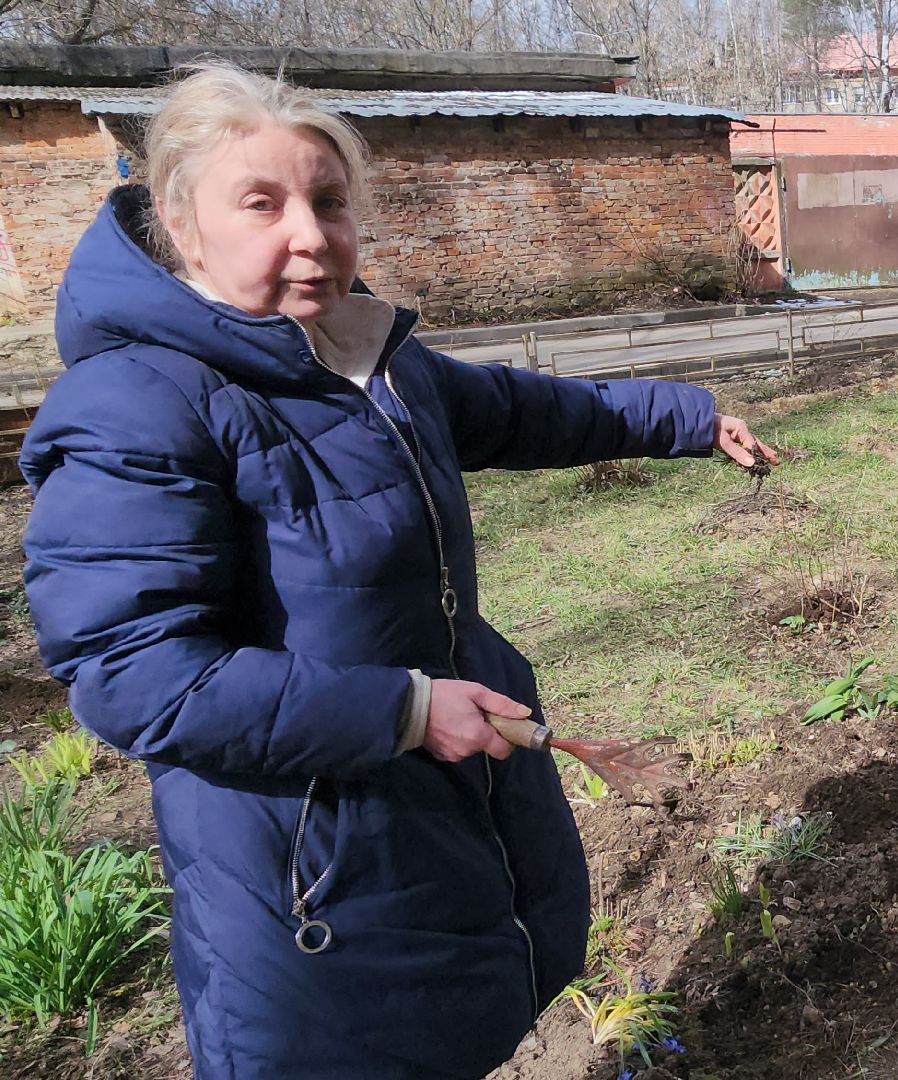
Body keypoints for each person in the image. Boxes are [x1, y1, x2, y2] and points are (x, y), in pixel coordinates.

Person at [18, 62, 775, 1079]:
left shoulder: (360, 356)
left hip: (427, 815)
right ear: (181, 220)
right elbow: (134, 675)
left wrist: (685, 419)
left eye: (329, 202)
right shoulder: (136, 404)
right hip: (302, 870)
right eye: (263, 202)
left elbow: (515, 410)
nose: (310, 234)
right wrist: (407, 711)